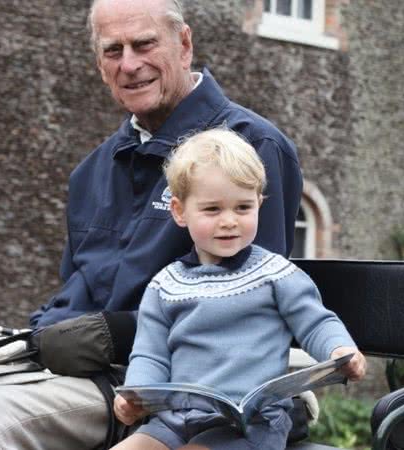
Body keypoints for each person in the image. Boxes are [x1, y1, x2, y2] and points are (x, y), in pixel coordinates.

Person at [0, 0, 304, 449]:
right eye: (113, 51)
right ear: (100, 65)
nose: (130, 64)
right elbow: (75, 293)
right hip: (73, 371)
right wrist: (42, 334)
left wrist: (112, 334)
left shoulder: (251, 146)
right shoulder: (92, 171)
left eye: (144, 44)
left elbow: (249, 308)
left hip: (169, 387)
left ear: (184, 44)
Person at [110, 129, 367, 450]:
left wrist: (340, 350)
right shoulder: (165, 285)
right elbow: (150, 354)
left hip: (251, 425)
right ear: (179, 211)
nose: (229, 220)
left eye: (243, 208)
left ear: (259, 203)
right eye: (213, 209)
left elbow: (316, 323)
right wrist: (136, 394)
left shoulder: (276, 274)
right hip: (176, 420)